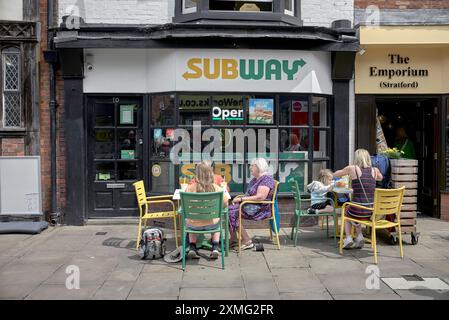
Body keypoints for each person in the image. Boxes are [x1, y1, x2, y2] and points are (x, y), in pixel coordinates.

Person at [334, 149, 383, 249]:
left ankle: (348, 238)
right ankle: (359, 236)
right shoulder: (375, 170)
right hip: (371, 210)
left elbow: (336, 174)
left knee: (346, 210)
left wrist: (335, 173)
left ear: (356, 158)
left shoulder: (353, 168)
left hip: (358, 210)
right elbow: (380, 178)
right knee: (356, 208)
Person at [228, 158, 276, 250]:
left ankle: (246, 240)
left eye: (252, 166)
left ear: (259, 167)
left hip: (260, 209)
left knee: (232, 212)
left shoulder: (266, 179)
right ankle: (234, 238)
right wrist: (241, 199)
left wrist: (241, 199)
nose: (250, 168)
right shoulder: (256, 179)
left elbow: (260, 197)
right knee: (229, 209)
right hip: (252, 205)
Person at [184, 162, 229, 259]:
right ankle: (215, 247)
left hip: (194, 225)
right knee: (217, 219)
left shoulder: (189, 188)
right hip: (211, 225)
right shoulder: (217, 189)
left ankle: (192, 247)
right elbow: (226, 203)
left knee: (190, 219)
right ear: (210, 173)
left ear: (197, 174)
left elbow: (184, 207)